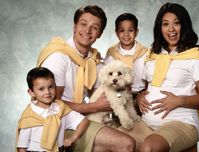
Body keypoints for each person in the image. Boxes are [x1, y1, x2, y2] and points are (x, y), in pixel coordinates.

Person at [36, 5, 135, 152]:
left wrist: (122, 92)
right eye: (83, 24)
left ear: (100, 33)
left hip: (79, 119)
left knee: (135, 136)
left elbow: (103, 94)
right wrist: (93, 107)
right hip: (55, 124)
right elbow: (50, 104)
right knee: (125, 143)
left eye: (94, 27)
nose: (87, 31)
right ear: (74, 26)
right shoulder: (58, 57)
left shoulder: (92, 60)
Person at [120, 3, 199, 152]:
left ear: (184, 25)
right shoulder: (153, 55)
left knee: (149, 148)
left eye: (177, 23)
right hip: (147, 123)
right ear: (160, 28)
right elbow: (148, 86)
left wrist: (179, 100)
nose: (171, 29)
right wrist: (140, 97)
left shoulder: (196, 55)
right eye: (165, 24)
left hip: (181, 122)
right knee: (114, 141)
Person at [16, 67, 89, 152]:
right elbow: (22, 146)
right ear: (31, 92)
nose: (47, 92)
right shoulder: (29, 116)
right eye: (41, 89)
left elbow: (84, 121)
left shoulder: (61, 109)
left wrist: (72, 138)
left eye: (50, 87)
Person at [104, 13, 148, 114]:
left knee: (140, 125)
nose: (126, 34)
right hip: (119, 96)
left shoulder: (145, 53)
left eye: (131, 30)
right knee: (121, 125)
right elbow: (107, 79)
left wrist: (143, 95)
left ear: (136, 32)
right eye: (122, 30)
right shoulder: (111, 54)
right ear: (116, 32)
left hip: (140, 97)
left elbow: (150, 79)